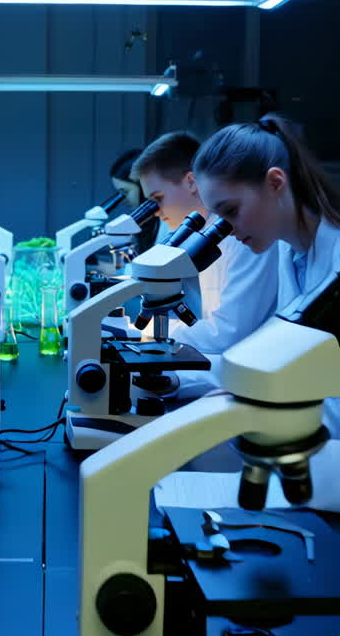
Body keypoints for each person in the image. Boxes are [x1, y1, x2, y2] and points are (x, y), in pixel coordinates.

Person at [193, 113, 340, 433]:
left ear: (275, 182)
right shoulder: (289, 252)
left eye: (230, 211)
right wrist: (173, 378)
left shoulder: (336, 259)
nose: (227, 231)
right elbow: (279, 361)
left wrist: (260, 407)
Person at [132, 129, 279, 364]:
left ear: (191, 182)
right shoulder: (200, 233)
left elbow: (228, 333)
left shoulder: (244, 236)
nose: (156, 211)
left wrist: (148, 332)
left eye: (158, 198)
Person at [109, 146, 161, 253]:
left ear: (143, 187)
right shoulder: (147, 225)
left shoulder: (166, 221)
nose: (123, 199)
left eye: (125, 192)